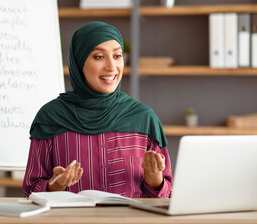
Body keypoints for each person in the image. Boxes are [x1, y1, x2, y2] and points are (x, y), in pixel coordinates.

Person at [23, 21, 172, 198]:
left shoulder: (143, 118)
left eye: (117, 56)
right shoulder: (51, 117)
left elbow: (166, 193)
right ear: (79, 62)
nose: (111, 67)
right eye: (99, 57)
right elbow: (30, 189)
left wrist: (154, 177)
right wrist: (56, 185)